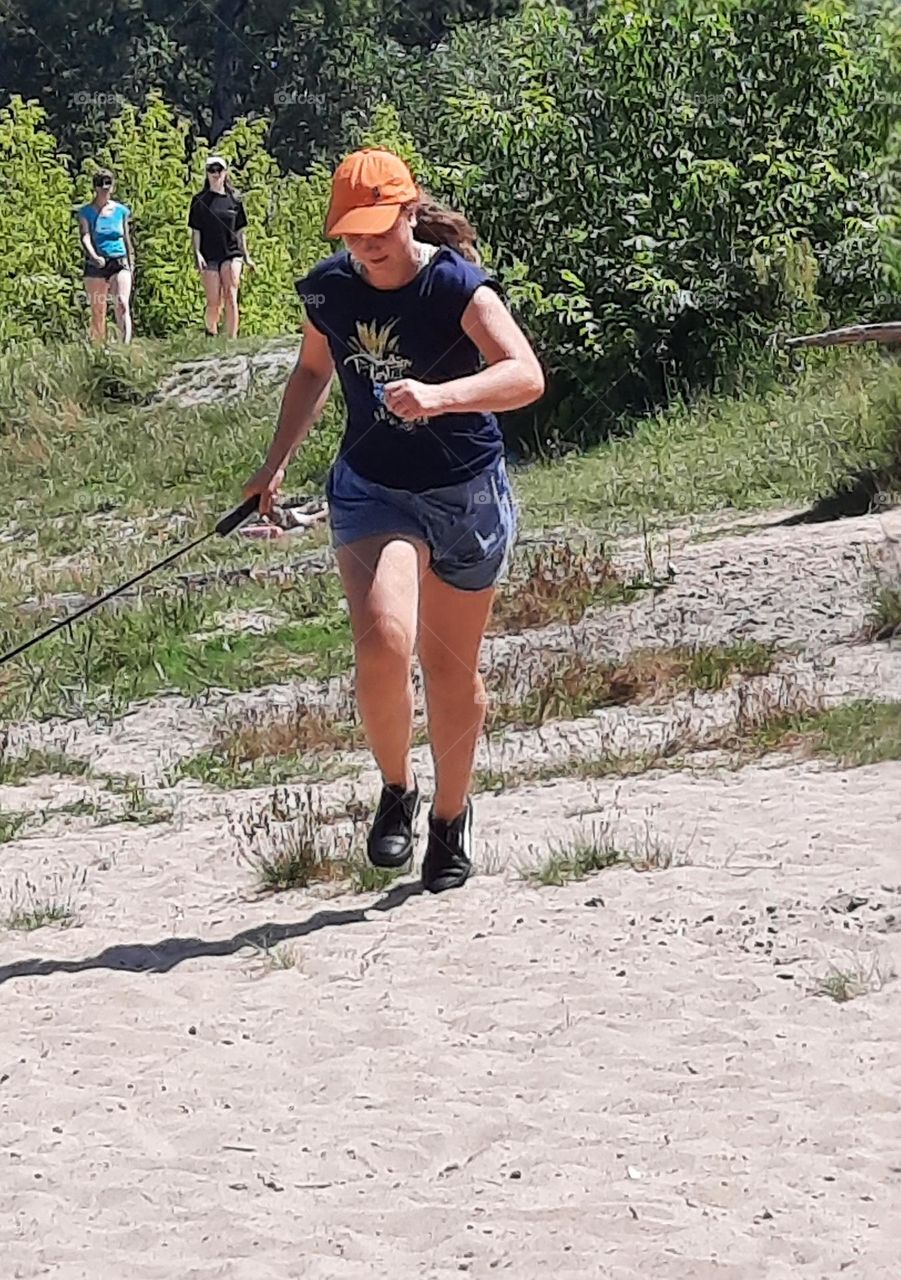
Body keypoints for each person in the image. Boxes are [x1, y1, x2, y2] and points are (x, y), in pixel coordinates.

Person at [242, 149, 545, 894]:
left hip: (465, 492)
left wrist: (440, 397)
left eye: (378, 227)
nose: (366, 245)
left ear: (410, 212)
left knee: (450, 672)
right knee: (383, 639)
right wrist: (274, 464)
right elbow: (314, 370)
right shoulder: (329, 292)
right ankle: (395, 789)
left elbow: (525, 376)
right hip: (374, 488)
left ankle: (449, 818)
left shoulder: (455, 285)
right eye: (351, 233)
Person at [188, 155, 254, 338]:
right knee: (214, 301)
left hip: (232, 252)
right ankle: (212, 332)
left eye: (219, 170)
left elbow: (241, 230)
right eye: (211, 170)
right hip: (209, 254)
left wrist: (246, 255)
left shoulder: (235, 200)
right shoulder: (199, 201)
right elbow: (196, 230)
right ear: (207, 173)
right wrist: (197, 253)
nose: (215, 174)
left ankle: (232, 338)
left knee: (231, 293)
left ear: (225, 173)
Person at [78, 170, 134, 344]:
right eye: (100, 184)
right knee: (98, 309)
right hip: (96, 264)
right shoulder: (86, 212)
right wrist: (93, 255)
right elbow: (85, 235)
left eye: (108, 183)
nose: (104, 188)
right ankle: (98, 348)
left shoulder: (121, 211)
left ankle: (124, 347)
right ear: (95, 187)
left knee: (122, 303)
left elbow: (126, 237)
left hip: (119, 260)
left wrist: (131, 262)